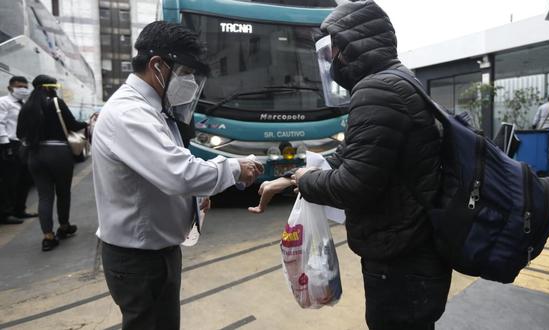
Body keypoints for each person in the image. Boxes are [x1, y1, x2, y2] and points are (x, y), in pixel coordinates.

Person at [92, 21, 263, 330]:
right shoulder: (130, 114)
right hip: (140, 260)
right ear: (157, 65)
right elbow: (178, 174)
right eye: (185, 73)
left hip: (157, 253)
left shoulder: (154, 108)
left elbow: (164, 169)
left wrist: (195, 199)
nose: (189, 83)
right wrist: (235, 168)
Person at [292, 1, 452, 329]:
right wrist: (290, 178)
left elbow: (354, 184)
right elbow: (355, 153)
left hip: (401, 260)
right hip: (418, 252)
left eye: (332, 51)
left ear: (350, 47)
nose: (331, 62)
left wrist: (308, 180)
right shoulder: (399, 80)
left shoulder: (376, 91)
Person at [16, 75, 88, 251]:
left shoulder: (27, 106)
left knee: (44, 196)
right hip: (58, 153)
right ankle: (64, 227)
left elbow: (20, 133)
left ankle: (47, 237)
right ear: (50, 87)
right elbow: (73, 124)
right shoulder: (56, 103)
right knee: (63, 192)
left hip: (35, 155)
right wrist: (88, 122)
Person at [0, 76, 37, 225]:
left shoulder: (25, 104)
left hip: (24, 145)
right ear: (10, 88)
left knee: (25, 179)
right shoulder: (4, 102)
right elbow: (0, 123)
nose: (23, 89)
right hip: (10, 145)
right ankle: (6, 213)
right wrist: (5, 145)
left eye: (25, 86)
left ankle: (20, 210)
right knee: (9, 181)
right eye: (19, 86)